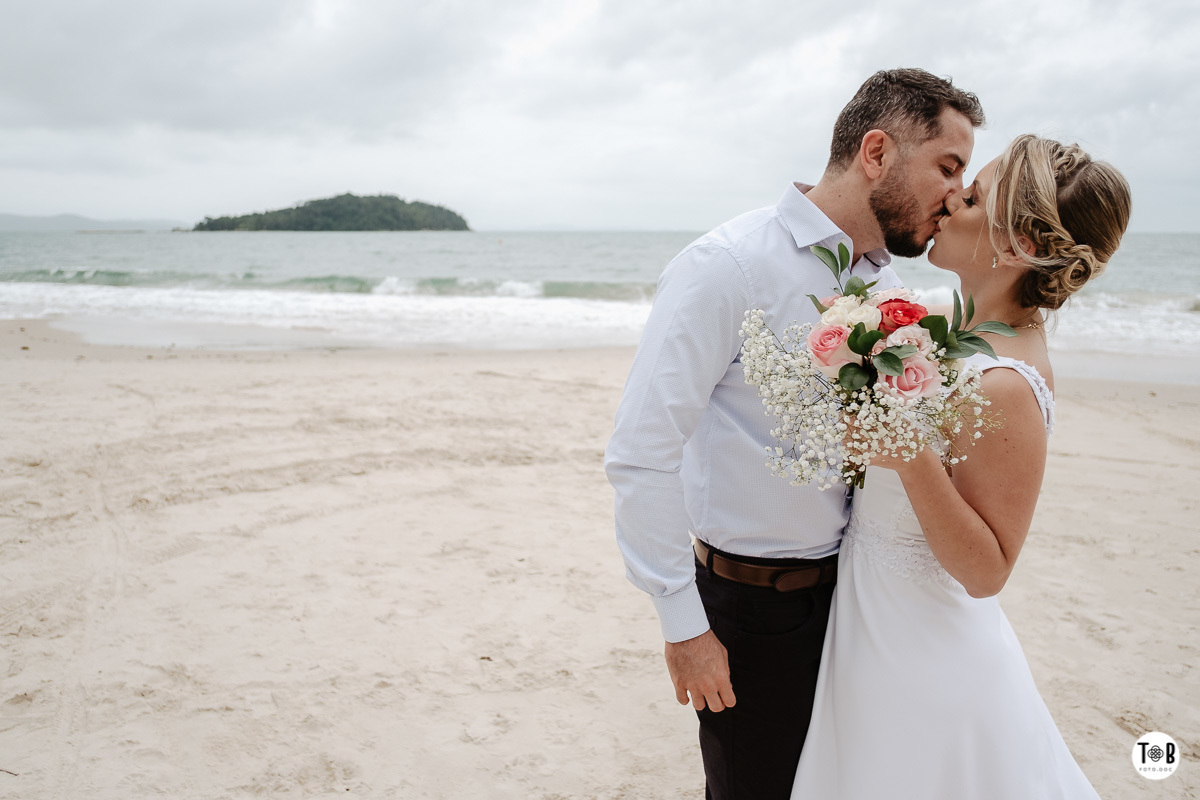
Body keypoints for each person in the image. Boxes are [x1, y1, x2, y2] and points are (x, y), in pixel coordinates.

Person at [603, 68, 985, 799]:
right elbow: (641, 455)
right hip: (753, 611)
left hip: (864, 603)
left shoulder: (894, 296)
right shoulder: (727, 266)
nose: (959, 194)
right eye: (948, 165)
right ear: (877, 152)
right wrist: (683, 627)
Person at [790, 134, 1132, 798]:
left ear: (1021, 246)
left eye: (972, 197)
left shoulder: (1006, 382)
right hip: (875, 634)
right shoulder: (955, 337)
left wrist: (911, 459)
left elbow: (988, 570)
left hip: (922, 662)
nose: (949, 199)